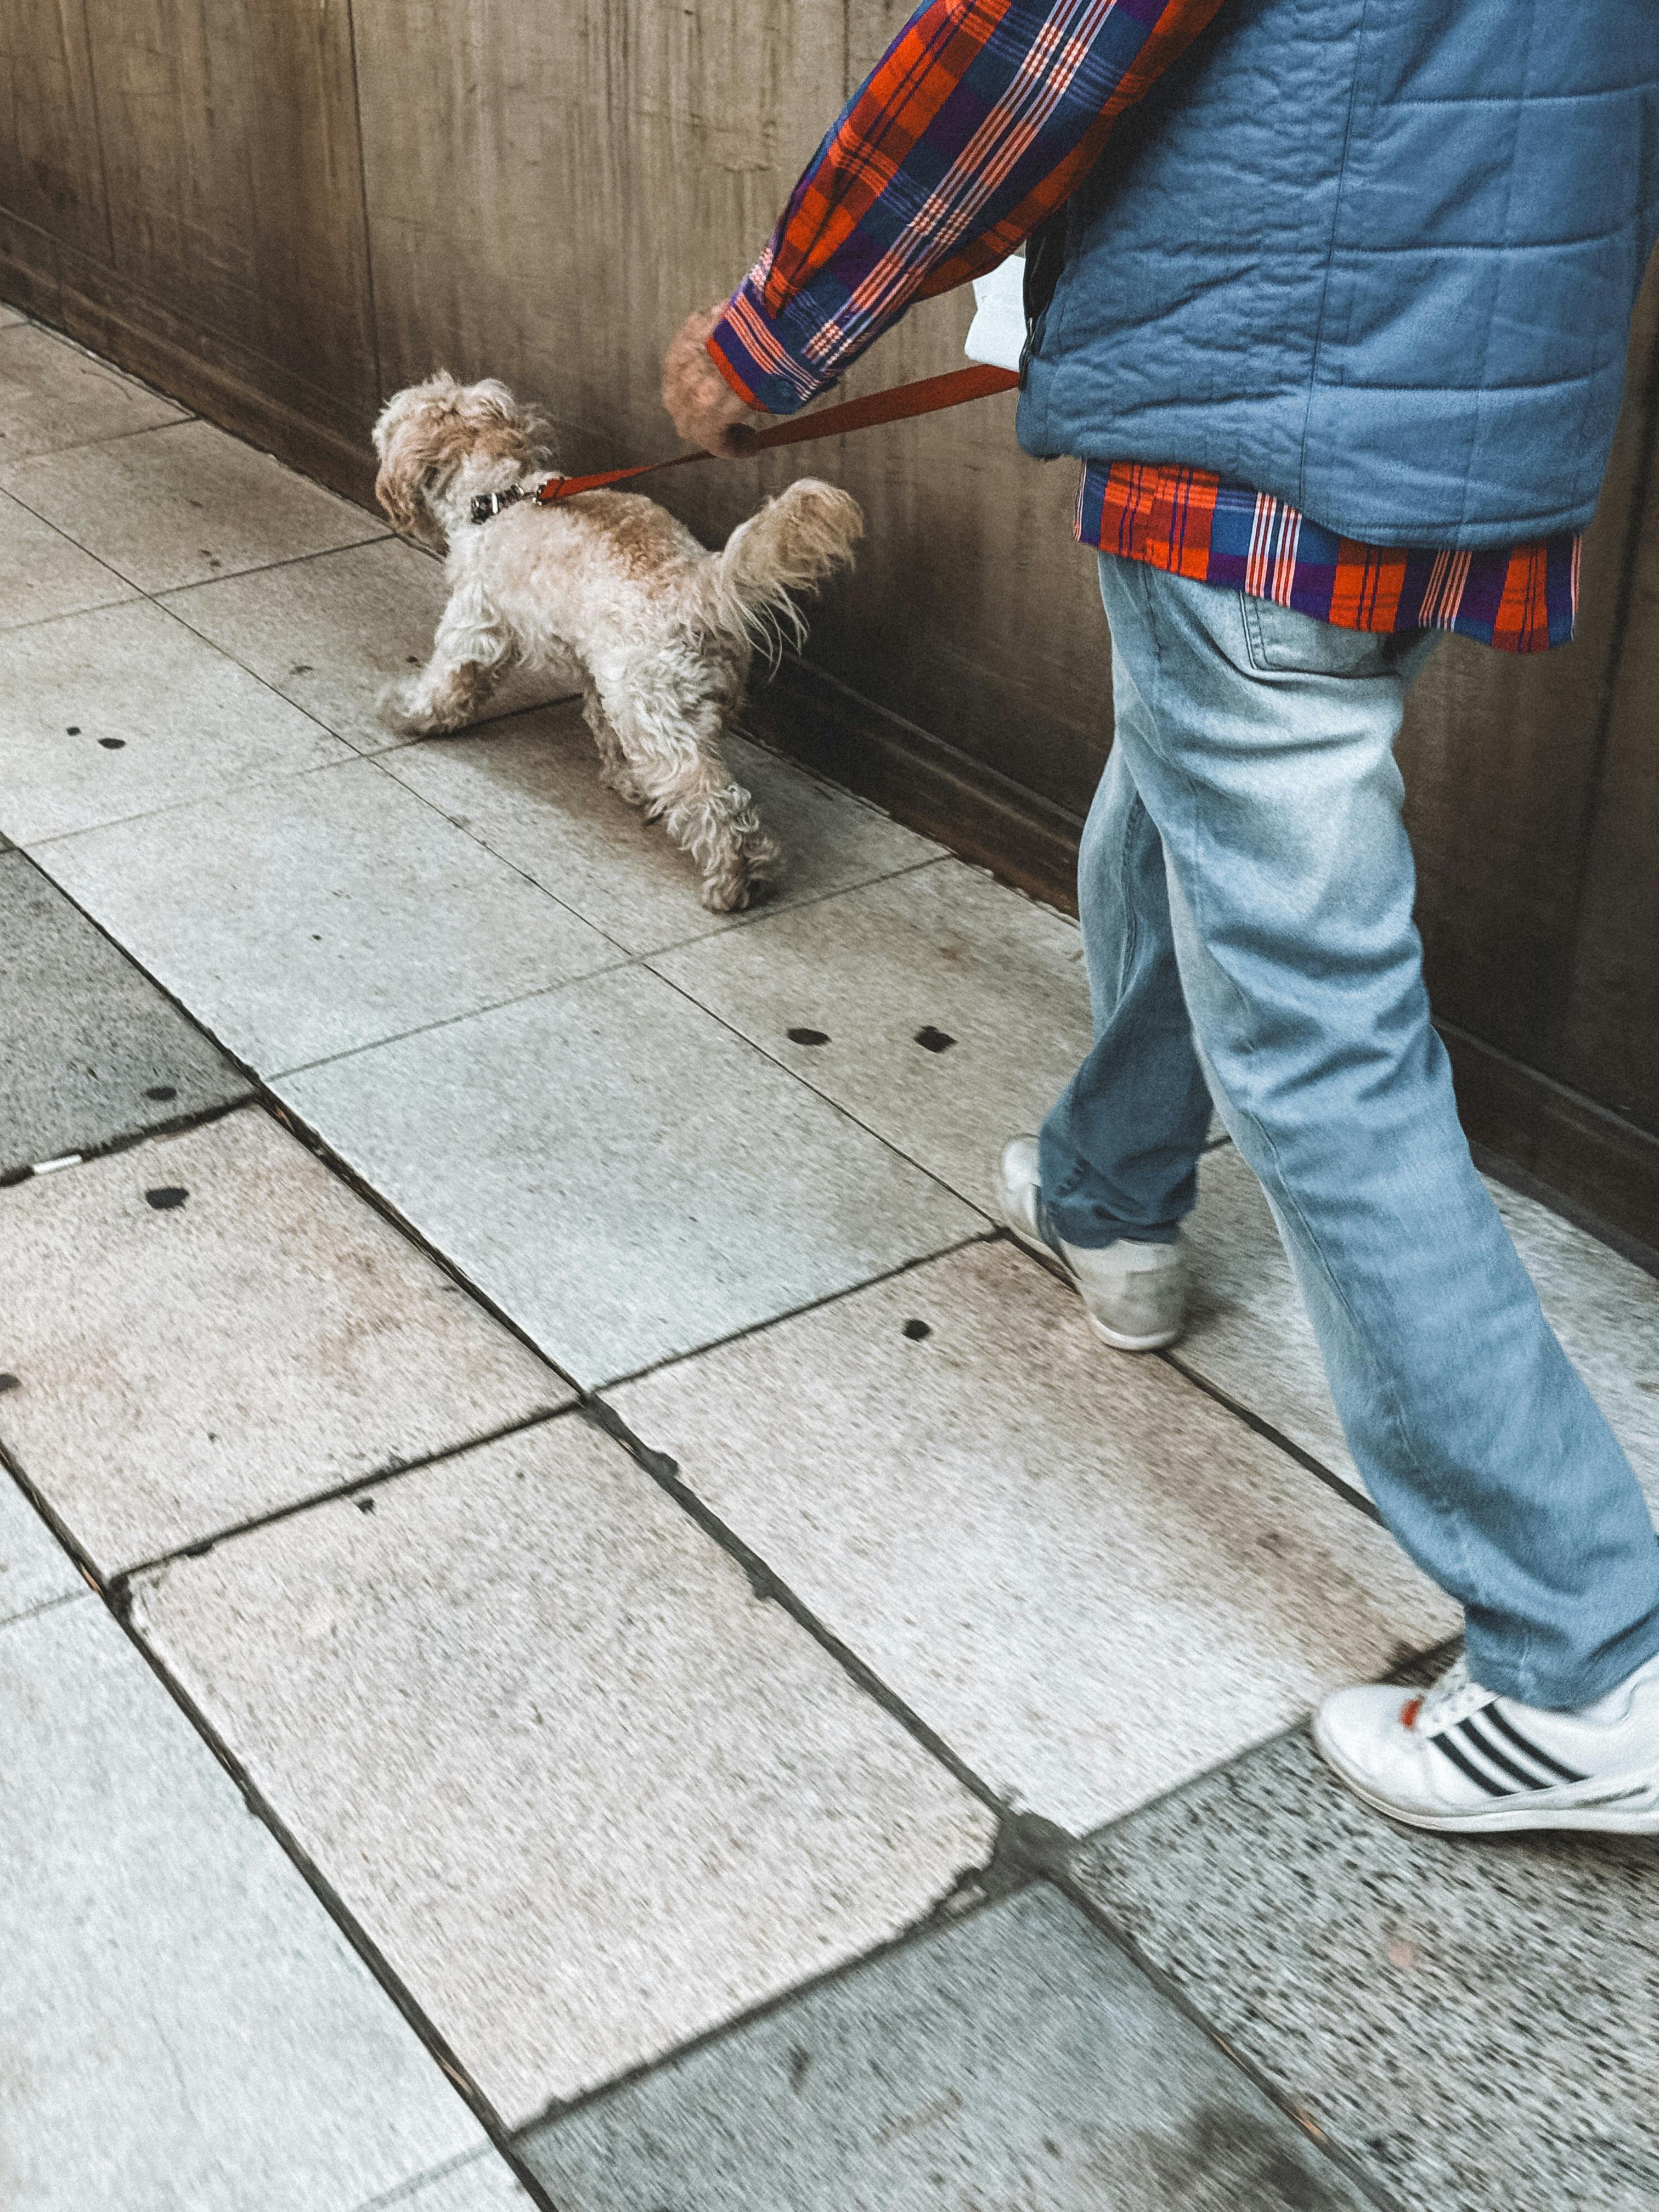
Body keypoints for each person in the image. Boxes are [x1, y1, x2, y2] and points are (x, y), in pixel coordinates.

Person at [663, 0, 1659, 1837]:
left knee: (1320, 1033)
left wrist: (777, 320)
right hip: (1478, 397)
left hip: (1267, 403)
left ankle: (1586, 1653)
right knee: (1194, 783)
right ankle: (1113, 1197)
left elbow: (1038, 42)